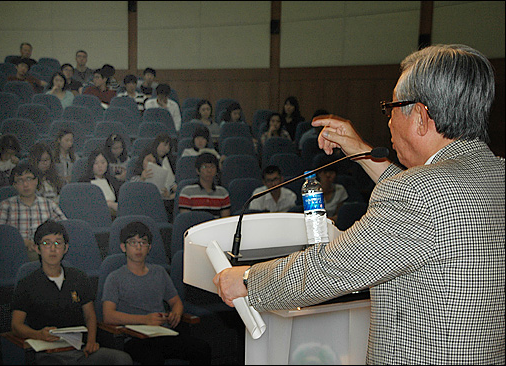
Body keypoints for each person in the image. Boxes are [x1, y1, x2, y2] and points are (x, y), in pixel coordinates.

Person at [213, 44, 505, 365]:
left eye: (392, 107)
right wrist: (363, 152)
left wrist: (246, 281)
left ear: (420, 117)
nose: (390, 121)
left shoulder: (418, 194)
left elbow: (330, 268)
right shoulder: (495, 173)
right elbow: (435, 207)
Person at [10, 220, 133, 365]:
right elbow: (16, 325)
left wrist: (92, 341)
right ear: (37, 249)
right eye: (46, 243)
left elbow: (90, 316)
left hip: (80, 352)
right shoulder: (26, 283)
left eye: (58, 243)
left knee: (122, 360)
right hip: (48, 354)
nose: (53, 249)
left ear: (66, 248)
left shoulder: (79, 277)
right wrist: (38, 334)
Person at [101, 221, 211, 365]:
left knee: (202, 348)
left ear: (149, 247)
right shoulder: (115, 277)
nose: (139, 247)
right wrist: (145, 319)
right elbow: (108, 315)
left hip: (162, 333)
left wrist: (176, 313)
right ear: (124, 247)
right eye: (133, 242)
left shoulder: (159, 272)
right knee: (153, 358)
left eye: (143, 242)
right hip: (134, 338)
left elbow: (176, 301)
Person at [0, 163, 67, 261]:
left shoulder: (49, 205)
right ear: (14, 185)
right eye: (20, 181)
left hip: (44, 250)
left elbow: (64, 229)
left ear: (36, 181)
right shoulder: (6, 206)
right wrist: (23, 242)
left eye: (29, 179)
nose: (25, 184)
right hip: (15, 251)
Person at [130, 134, 177, 219]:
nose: (150, 164)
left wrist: (167, 195)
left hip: (158, 206)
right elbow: (132, 190)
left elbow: (174, 189)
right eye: (148, 161)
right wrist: (142, 178)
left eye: (153, 162)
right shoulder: (136, 177)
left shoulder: (164, 172)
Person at [178, 153, 231, 218]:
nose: (209, 170)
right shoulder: (187, 192)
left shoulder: (223, 193)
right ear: (197, 170)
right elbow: (186, 220)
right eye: (204, 167)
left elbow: (224, 220)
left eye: (212, 167)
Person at [78, 147, 122, 217]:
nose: (100, 166)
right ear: (91, 165)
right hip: (93, 214)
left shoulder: (113, 181)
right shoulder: (84, 182)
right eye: (96, 163)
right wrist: (109, 204)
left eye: (103, 162)